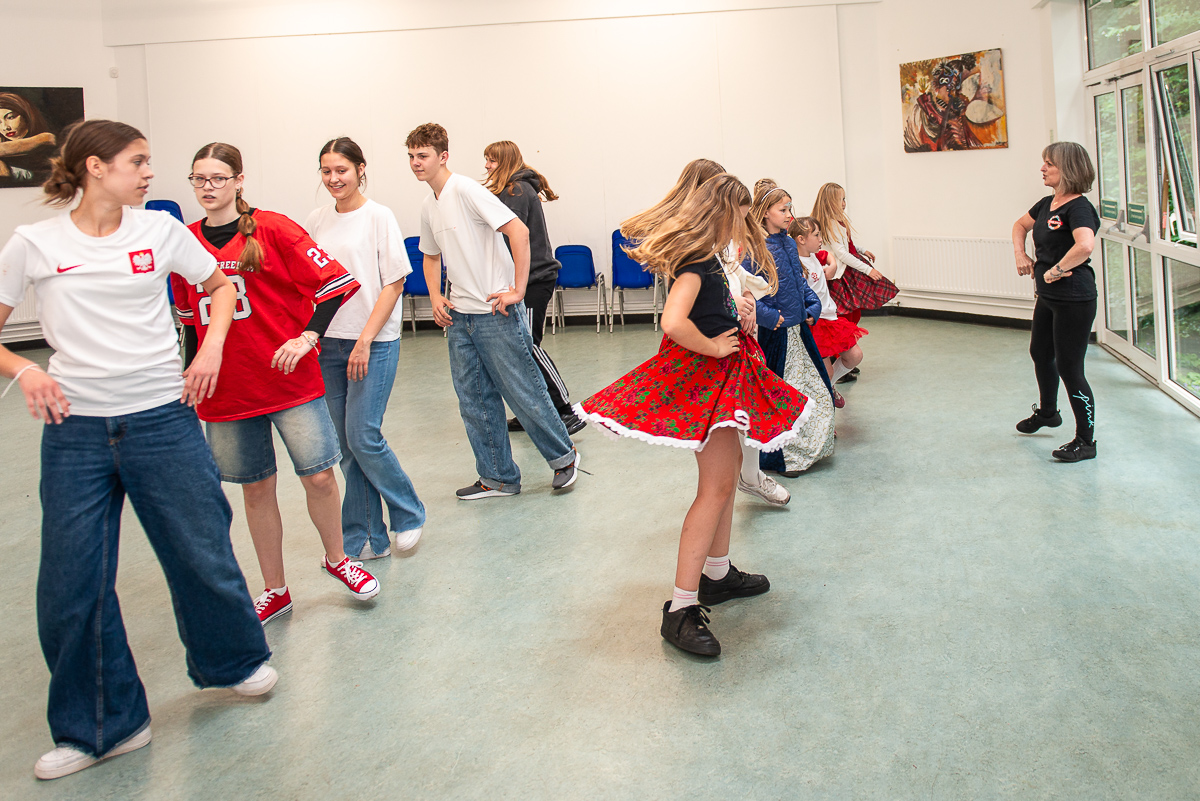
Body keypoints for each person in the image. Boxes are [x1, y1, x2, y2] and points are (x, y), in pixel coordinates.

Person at [0, 120, 277, 781]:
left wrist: (209, 348)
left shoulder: (159, 231)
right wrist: (25, 369)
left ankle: (232, 662)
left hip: (162, 418)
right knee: (71, 581)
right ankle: (104, 726)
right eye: (138, 161)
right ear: (95, 167)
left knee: (200, 548)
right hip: (75, 429)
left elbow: (221, 286)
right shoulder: (34, 243)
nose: (151, 173)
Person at [575, 174, 812, 657]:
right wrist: (713, 346)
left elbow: (715, 303)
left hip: (726, 378)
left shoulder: (712, 258)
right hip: (710, 379)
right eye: (739, 217)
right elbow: (673, 320)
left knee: (725, 480)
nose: (744, 226)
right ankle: (680, 609)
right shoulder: (697, 261)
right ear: (721, 214)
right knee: (715, 489)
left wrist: (740, 308)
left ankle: (717, 575)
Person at [173, 141, 379, 627]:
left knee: (320, 476)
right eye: (199, 179)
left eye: (218, 178)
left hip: (288, 379)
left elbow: (334, 285)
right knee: (255, 488)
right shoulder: (184, 241)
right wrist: (191, 376)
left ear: (239, 180)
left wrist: (308, 336)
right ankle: (275, 589)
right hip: (228, 388)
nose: (208, 187)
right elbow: (191, 324)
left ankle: (338, 559)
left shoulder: (273, 228)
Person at [406, 122, 580, 499]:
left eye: (423, 155)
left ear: (443, 156)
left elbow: (519, 231)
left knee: (523, 390)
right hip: (460, 316)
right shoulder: (428, 205)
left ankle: (564, 458)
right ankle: (498, 477)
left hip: (494, 313)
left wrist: (518, 289)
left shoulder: (467, 190)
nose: (416, 162)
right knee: (474, 399)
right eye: (411, 156)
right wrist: (435, 296)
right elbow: (430, 255)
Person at [621, 159, 790, 506]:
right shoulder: (691, 242)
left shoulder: (716, 233)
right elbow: (687, 303)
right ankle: (744, 480)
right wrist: (729, 306)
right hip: (706, 339)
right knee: (718, 459)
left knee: (742, 414)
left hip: (729, 331)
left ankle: (748, 477)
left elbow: (730, 271)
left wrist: (744, 298)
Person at [305, 136, 426, 561]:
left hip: (373, 343)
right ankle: (364, 537)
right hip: (329, 343)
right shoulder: (316, 220)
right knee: (347, 447)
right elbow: (311, 282)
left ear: (360, 170)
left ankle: (408, 512)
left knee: (363, 436)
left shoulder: (379, 216)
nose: (334, 178)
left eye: (341, 170)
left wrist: (365, 339)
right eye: (326, 171)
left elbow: (394, 283)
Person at [483, 140, 585, 436]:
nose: (487, 166)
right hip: (527, 279)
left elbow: (512, 239)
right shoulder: (513, 189)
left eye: (491, 160)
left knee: (528, 346)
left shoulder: (515, 191)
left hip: (534, 280)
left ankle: (564, 411)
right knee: (521, 348)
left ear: (505, 161)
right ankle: (533, 411)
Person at [1011, 142, 1100, 462]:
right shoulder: (1048, 203)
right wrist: (1020, 254)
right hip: (1048, 297)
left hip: (1074, 298)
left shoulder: (1079, 208)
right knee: (1040, 353)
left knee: (1070, 368)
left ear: (1069, 169)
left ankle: (1086, 441)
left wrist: (1058, 269)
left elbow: (1085, 246)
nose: (1043, 168)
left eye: (1049, 163)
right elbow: (1019, 225)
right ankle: (1048, 412)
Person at [749, 182, 835, 475]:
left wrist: (812, 307)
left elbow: (800, 283)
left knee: (817, 389)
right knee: (786, 397)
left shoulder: (787, 243)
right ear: (765, 212)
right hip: (777, 335)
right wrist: (770, 317)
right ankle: (786, 459)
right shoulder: (755, 248)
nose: (789, 215)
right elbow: (747, 293)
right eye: (783, 210)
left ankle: (811, 448)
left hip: (800, 330)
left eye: (789, 208)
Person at [811, 182, 897, 381]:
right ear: (831, 202)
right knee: (844, 318)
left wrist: (861, 250)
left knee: (851, 315)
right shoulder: (831, 223)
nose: (844, 203)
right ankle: (839, 359)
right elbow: (841, 253)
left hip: (846, 273)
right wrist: (868, 270)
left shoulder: (837, 222)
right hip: (840, 278)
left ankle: (845, 357)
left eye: (844, 199)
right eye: (841, 200)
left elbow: (845, 244)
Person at [792, 216, 867, 407]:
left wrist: (832, 265)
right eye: (816, 235)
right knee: (826, 371)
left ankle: (829, 388)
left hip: (831, 318)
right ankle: (822, 405)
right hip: (815, 323)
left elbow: (828, 255)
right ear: (801, 239)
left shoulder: (815, 255)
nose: (821, 239)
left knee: (855, 356)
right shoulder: (796, 264)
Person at [0, 92, 57, 186]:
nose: (5, 127)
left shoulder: (47, 138)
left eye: (10, 117)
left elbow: (48, 139)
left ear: (26, 115)